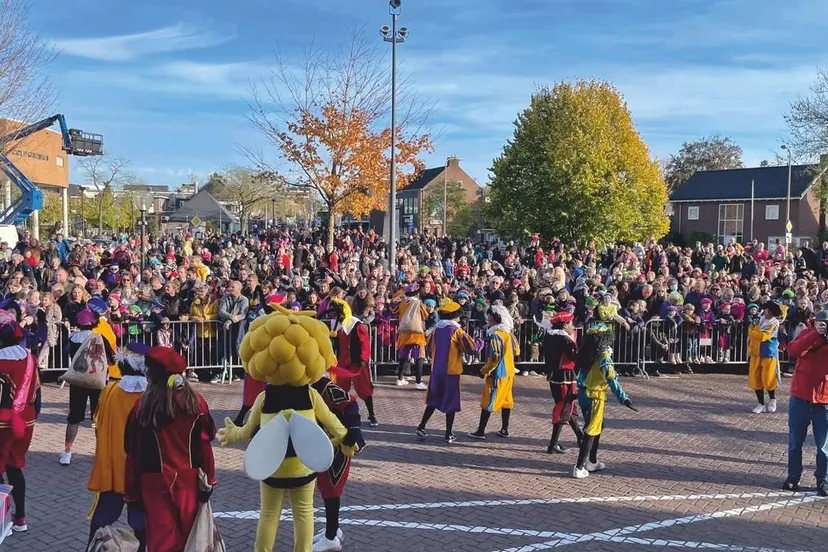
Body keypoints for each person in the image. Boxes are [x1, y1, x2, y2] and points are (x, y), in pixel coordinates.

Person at [218, 307, 353, 552]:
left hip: (271, 466)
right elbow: (334, 423)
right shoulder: (311, 395)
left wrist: (231, 434)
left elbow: (247, 430)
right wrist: (346, 438)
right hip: (303, 466)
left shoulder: (264, 397)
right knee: (304, 514)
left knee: (269, 514)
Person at [124, 346, 217, 552]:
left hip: (154, 483)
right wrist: (209, 480)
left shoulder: (142, 408)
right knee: (191, 541)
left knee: (161, 543)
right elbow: (205, 448)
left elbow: (133, 454)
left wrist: (132, 493)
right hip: (188, 482)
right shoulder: (197, 403)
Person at [87, 343, 149, 549]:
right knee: (141, 521)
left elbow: (98, 424)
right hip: (141, 469)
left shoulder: (110, 391)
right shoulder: (151, 396)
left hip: (113, 467)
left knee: (102, 517)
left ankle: (92, 548)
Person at [573, 324, 637, 479]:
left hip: (584, 394)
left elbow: (581, 376)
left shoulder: (587, 354)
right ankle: (579, 466)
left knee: (598, 426)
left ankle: (592, 461)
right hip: (596, 396)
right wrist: (624, 398)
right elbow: (611, 379)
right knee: (592, 429)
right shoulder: (604, 357)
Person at [311, 373, 366, 552]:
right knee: (325, 487)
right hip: (323, 444)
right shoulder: (305, 384)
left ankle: (331, 538)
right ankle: (333, 529)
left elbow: (350, 403)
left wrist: (353, 428)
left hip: (338, 446)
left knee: (331, 489)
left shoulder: (323, 384)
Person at [417, 298, 480, 443]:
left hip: (436, 369)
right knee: (451, 401)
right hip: (451, 370)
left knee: (433, 399)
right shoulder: (456, 330)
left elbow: (428, 347)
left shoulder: (436, 330)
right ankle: (448, 433)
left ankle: (421, 426)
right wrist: (480, 342)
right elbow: (471, 348)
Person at [0, 310, 40, 535]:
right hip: (25, 419)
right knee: (15, 467)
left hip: (3, 420)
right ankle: (20, 517)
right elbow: (37, 390)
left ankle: (3, 519)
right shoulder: (28, 356)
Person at [60, 308, 116, 466]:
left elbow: (68, 353)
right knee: (98, 418)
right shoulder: (100, 337)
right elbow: (112, 359)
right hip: (97, 381)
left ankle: (67, 452)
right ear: (96, 322)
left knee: (74, 417)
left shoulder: (73, 338)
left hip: (77, 380)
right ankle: (101, 452)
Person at [783, 310, 828, 496]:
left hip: (824, 400)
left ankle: (823, 479)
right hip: (800, 397)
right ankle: (793, 477)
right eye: (821, 322)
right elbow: (794, 350)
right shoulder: (806, 332)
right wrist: (816, 335)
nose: (823, 325)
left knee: (824, 447)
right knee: (795, 442)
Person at [468, 304, 519, 440]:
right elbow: (517, 350)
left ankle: (480, 431)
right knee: (506, 400)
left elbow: (495, 357)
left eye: (490, 315)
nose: (488, 317)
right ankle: (504, 428)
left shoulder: (496, 335)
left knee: (488, 401)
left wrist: (484, 370)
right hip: (509, 372)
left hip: (498, 373)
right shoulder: (508, 333)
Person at [327, 298, 378, 427]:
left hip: (358, 363)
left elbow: (365, 344)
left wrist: (362, 360)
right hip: (343, 363)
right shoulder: (338, 326)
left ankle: (372, 415)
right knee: (341, 389)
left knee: (364, 389)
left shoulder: (356, 325)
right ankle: (341, 414)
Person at [540, 311, 584, 454]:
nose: (573, 326)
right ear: (565, 324)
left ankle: (580, 437)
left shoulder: (549, 337)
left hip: (554, 376)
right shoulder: (565, 340)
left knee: (567, 407)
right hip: (566, 376)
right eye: (571, 323)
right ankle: (553, 444)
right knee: (563, 407)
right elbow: (575, 357)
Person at [747, 302, 784, 414]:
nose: (766, 313)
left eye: (768, 311)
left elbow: (763, 336)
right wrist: (753, 329)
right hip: (756, 352)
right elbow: (752, 331)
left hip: (768, 353)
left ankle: (772, 399)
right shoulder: (760, 319)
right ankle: (761, 404)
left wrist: (752, 330)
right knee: (755, 378)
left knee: (768, 378)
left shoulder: (774, 323)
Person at [392, 283, 428, 389]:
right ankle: (418, 382)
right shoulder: (418, 303)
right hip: (417, 334)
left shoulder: (402, 303)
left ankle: (400, 378)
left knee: (403, 356)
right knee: (419, 357)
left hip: (404, 333)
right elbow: (425, 315)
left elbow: (395, 311)